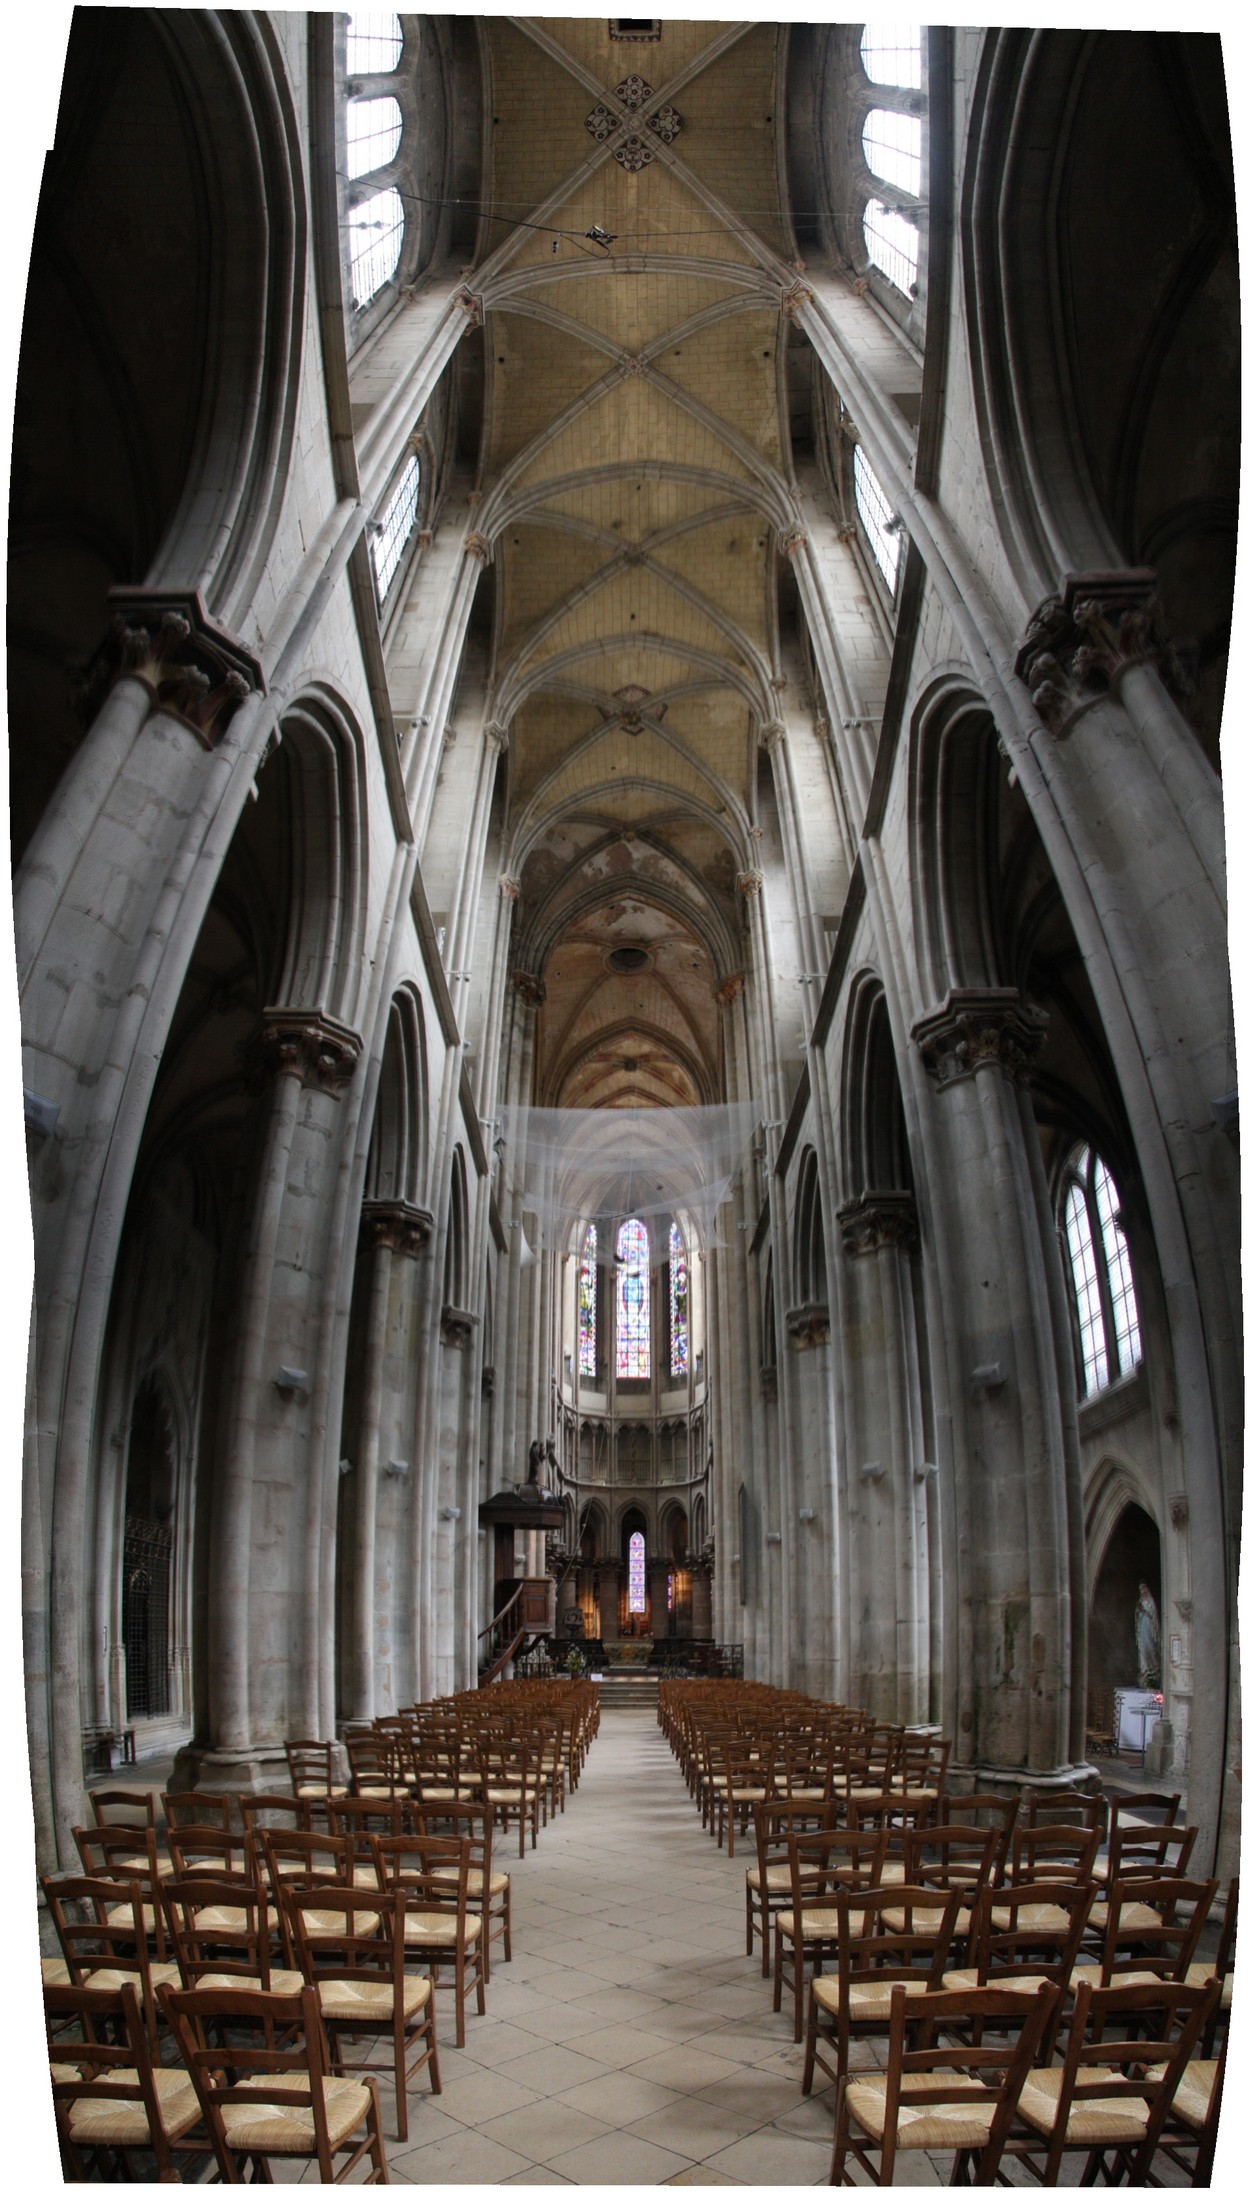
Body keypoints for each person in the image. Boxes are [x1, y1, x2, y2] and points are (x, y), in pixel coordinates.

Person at [1134, 1579, 1161, 1687]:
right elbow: (1137, 1615)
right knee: (1143, 1649)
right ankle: (1145, 1671)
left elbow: (1153, 1614)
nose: (1143, 1591)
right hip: (1142, 1628)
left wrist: (1145, 1611)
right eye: (1141, 1590)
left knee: (1150, 1647)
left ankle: (1154, 1670)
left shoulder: (1150, 1602)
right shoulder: (1140, 1601)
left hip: (1149, 1628)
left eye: (1144, 1589)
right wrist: (1138, 1611)